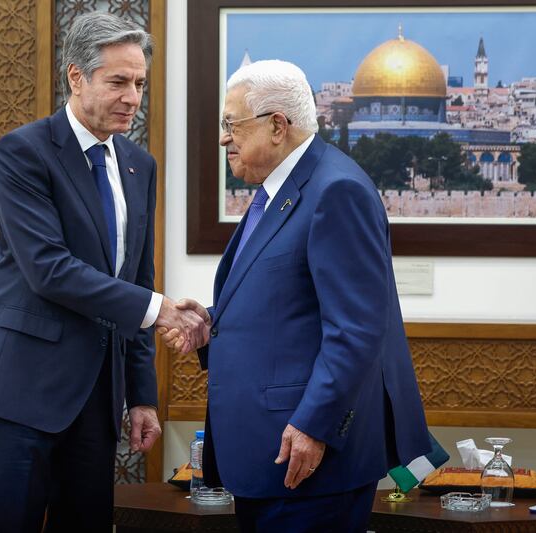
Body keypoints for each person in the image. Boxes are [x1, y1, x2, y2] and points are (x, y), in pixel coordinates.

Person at [0, 12, 207, 533]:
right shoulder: (23, 151)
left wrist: (141, 396)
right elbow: (49, 270)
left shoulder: (140, 164)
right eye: (117, 82)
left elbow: (136, 277)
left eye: (138, 83)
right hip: (21, 388)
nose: (132, 97)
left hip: (97, 396)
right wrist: (161, 309)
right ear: (76, 77)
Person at [160, 60, 430, 532]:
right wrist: (210, 324)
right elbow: (288, 306)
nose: (224, 138)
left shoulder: (336, 190)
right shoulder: (278, 192)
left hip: (307, 458)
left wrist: (313, 426)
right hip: (271, 457)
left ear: (278, 126)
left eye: (232, 124)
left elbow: (357, 329)